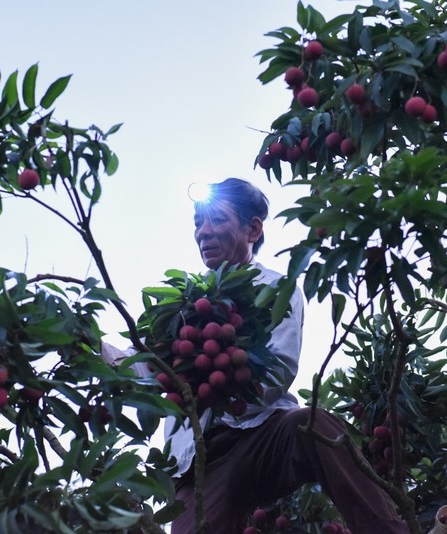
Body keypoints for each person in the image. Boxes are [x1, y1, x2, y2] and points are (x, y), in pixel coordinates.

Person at [165, 178, 409, 533]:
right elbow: (145, 363)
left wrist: (218, 392)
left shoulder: (274, 289)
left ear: (253, 229)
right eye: (198, 224)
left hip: (260, 435)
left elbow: (278, 370)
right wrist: (91, 347)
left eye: (216, 220)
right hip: (198, 461)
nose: (203, 232)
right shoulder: (183, 305)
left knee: (312, 424)